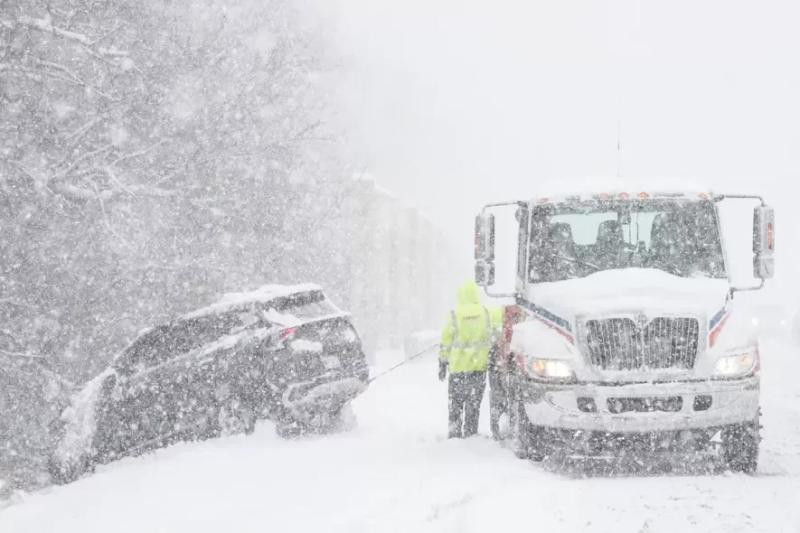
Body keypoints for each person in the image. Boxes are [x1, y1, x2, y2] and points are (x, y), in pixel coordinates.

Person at [438, 280, 501, 438]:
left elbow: (446, 342)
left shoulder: (454, 315)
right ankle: (471, 434)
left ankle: (454, 433)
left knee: (455, 406)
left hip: (458, 371)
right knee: (474, 406)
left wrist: (442, 362)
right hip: (478, 370)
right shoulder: (486, 313)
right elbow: (501, 320)